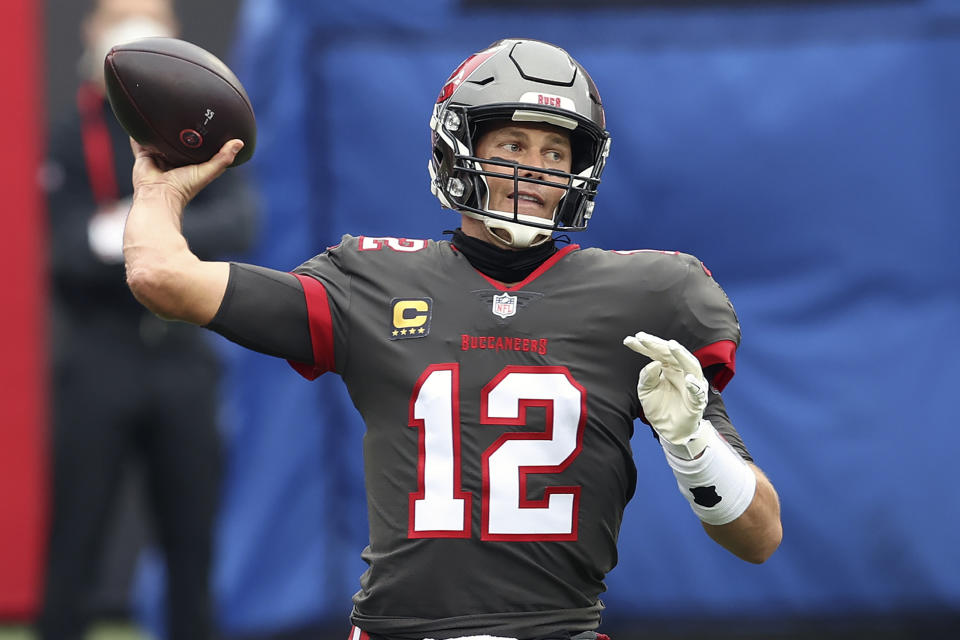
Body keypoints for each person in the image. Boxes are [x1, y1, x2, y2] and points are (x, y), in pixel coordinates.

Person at [121, 38, 781, 640]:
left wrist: (693, 447)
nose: (536, 169)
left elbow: (759, 537)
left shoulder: (650, 297)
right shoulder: (372, 280)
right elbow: (161, 277)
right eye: (513, 146)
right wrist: (157, 190)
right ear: (460, 149)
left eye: (556, 152)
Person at [39, 0, 258, 638]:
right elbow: (68, 254)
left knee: (192, 543)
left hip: (184, 354)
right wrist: (160, 238)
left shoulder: (200, 133)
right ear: (91, 32)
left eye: (150, 15)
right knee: (76, 534)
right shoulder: (72, 130)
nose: (135, 27)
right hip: (100, 355)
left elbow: (241, 222)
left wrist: (126, 230)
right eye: (120, 14)